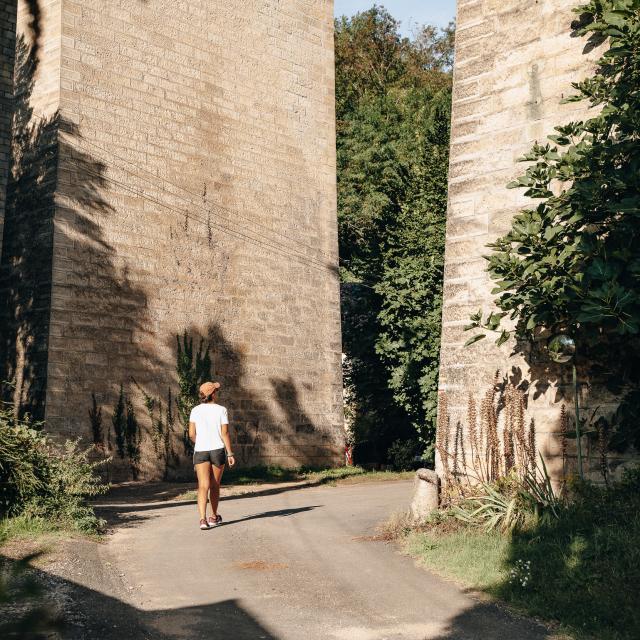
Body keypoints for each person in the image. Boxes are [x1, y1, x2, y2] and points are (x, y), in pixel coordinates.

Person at [189, 381, 235, 530]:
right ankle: (214, 517)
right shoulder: (221, 410)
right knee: (215, 485)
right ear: (212, 394)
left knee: (203, 486)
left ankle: (202, 520)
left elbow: (191, 434)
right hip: (217, 450)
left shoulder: (195, 410)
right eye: (216, 391)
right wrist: (230, 453)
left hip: (201, 451)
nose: (217, 393)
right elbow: (225, 433)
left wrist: (201, 442)